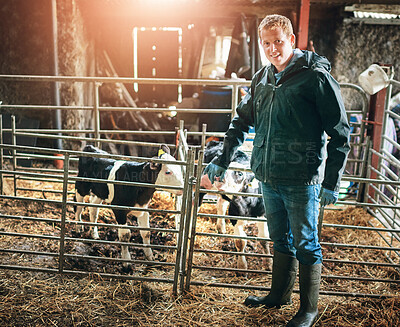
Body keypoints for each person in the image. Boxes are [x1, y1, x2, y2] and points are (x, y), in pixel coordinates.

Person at [203, 14, 350, 327]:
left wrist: (332, 181)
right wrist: (222, 158)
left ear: (292, 41)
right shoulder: (262, 78)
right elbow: (241, 121)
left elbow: (340, 131)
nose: (272, 49)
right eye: (266, 43)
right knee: (280, 240)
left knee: (306, 243)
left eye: (278, 42)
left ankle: (308, 310)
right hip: (268, 176)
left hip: (301, 179)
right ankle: (279, 296)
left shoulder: (314, 76)